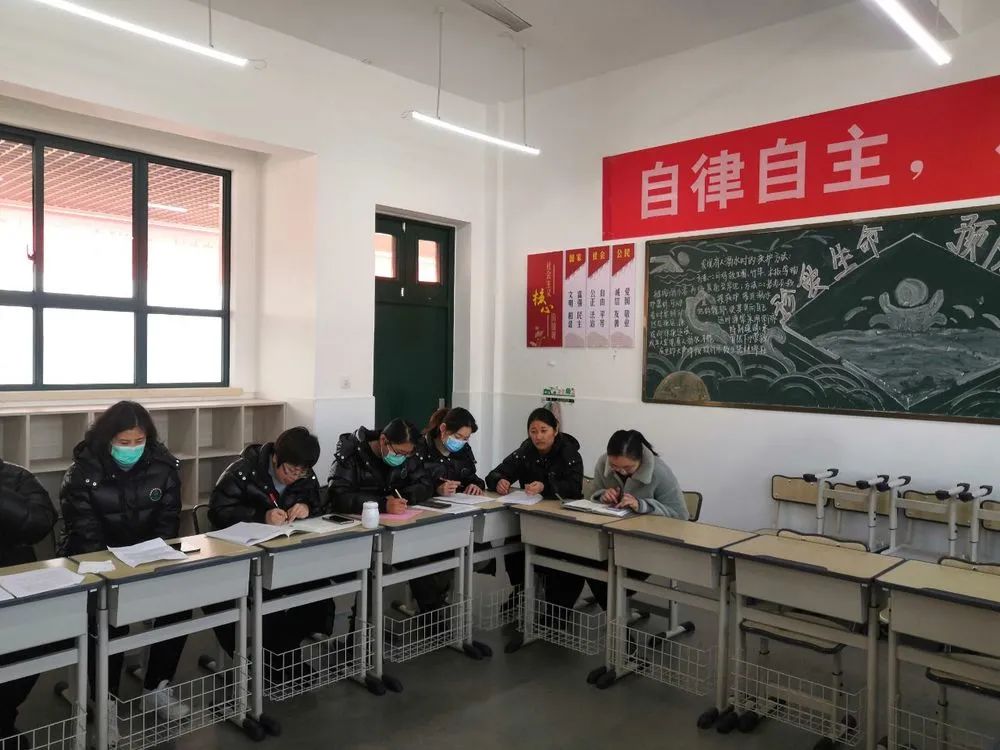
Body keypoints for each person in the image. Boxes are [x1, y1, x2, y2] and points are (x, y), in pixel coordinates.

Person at [59, 400, 190, 721]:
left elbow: (167, 525)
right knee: (106, 620)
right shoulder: (82, 473)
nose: (131, 449)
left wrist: (150, 562)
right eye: (123, 442)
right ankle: (105, 698)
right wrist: (118, 571)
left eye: (138, 441)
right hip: (96, 565)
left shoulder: (164, 468)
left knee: (179, 607)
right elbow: (85, 535)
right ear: (107, 439)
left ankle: (157, 688)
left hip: (146, 560)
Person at [208, 427, 329, 675]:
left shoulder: (305, 475)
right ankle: (274, 663)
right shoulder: (242, 472)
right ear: (276, 458)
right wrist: (261, 516)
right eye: (290, 470)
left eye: (302, 472)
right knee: (269, 600)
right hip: (244, 560)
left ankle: (281, 657)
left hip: (286, 558)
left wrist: (307, 507)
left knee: (320, 597)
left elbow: (320, 503)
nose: (295, 477)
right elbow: (217, 512)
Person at [328, 419, 445, 613]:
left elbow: (425, 484)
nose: (403, 458)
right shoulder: (351, 453)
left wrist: (404, 497)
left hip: (394, 534)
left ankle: (433, 620)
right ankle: (363, 629)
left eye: (407, 454)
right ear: (383, 441)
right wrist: (382, 504)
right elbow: (338, 496)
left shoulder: (407, 454)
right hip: (358, 536)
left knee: (420, 561)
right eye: (399, 453)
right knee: (371, 573)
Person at [485, 407, 584, 611]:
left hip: (561, 518)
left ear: (555, 430)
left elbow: (574, 487)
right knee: (512, 543)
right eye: (533, 431)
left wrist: (545, 487)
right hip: (530, 516)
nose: (538, 436)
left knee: (556, 552)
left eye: (543, 430)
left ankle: (556, 607)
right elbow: (495, 473)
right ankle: (521, 589)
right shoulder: (526, 451)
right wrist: (499, 481)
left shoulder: (569, 453)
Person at [586, 429, 688, 608]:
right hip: (610, 540)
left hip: (646, 547)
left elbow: (680, 515)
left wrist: (642, 505)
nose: (621, 471)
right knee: (584, 559)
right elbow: (591, 495)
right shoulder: (604, 462)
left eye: (628, 468)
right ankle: (615, 616)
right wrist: (602, 495)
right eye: (615, 466)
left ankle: (617, 620)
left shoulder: (659, 471)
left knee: (604, 575)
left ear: (640, 460)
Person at [0, 459, 57, 742]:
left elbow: (40, 522)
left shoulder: (16, 477)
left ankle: (4, 720)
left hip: (15, 593)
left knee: (30, 650)